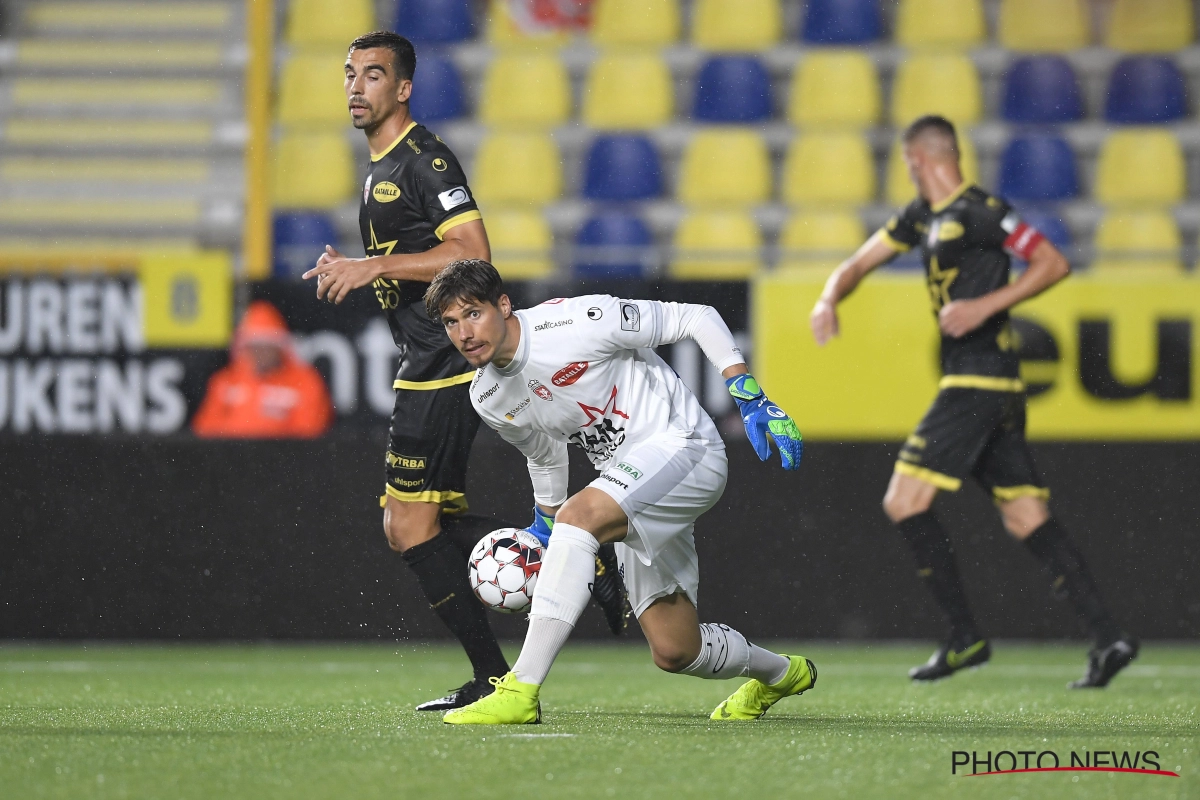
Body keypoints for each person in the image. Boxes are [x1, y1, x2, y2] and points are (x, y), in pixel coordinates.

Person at [300, 31, 628, 711]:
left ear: (403, 88)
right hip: (425, 363)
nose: (357, 87)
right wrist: (362, 266)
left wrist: (374, 266)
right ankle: (573, 559)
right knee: (409, 525)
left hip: (447, 362)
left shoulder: (424, 160)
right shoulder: (381, 165)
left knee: (410, 526)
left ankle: (507, 660)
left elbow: (473, 251)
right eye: (350, 75)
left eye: (372, 76)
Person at [809, 115, 1137, 688]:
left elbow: (1053, 263)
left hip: (979, 382)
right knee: (1025, 514)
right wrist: (828, 297)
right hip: (992, 387)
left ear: (918, 159)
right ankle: (1109, 636)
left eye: (908, 164)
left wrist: (987, 306)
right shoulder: (922, 217)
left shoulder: (984, 209)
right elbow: (859, 262)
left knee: (903, 501)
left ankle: (965, 639)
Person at [422, 258, 814, 725]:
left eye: (473, 313)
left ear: (503, 305)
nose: (464, 332)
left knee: (579, 516)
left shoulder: (577, 321)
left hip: (685, 448)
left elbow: (696, 316)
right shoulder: (488, 396)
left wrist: (748, 393)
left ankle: (521, 690)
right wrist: (546, 527)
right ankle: (782, 674)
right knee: (675, 650)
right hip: (630, 483)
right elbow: (545, 455)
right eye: (451, 322)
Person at [192, 300, 332, 438]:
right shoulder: (225, 381)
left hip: (285, 458)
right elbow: (205, 431)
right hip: (232, 458)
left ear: (279, 347)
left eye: (266, 346)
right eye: (253, 346)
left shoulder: (305, 382)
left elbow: (311, 432)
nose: (259, 353)